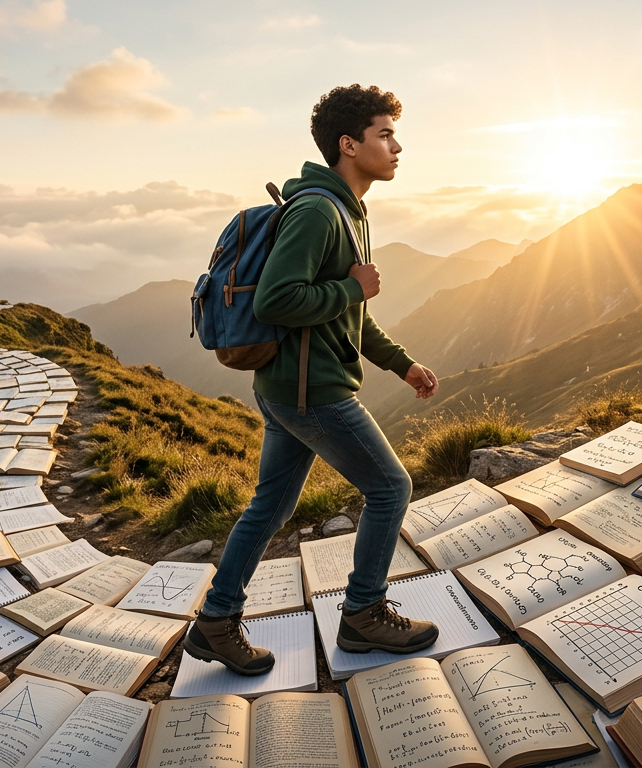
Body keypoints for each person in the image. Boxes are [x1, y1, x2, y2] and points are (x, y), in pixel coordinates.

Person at [183, 84, 441, 675]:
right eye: (384, 135)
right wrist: (355, 286)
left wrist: (401, 364)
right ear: (349, 145)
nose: (397, 146)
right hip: (312, 393)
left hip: (285, 389)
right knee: (390, 489)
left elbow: (347, 313)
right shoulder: (320, 210)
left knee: (269, 506)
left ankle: (216, 624)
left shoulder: (346, 208)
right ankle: (364, 615)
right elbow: (278, 300)